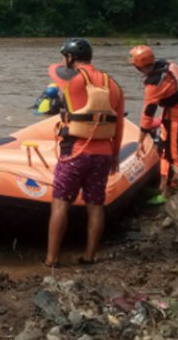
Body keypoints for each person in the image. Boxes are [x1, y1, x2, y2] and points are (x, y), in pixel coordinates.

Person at [45, 38, 125, 267]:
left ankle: (51, 258)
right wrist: (115, 156)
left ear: (70, 58)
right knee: (95, 204)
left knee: (60, 203)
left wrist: (65, 65)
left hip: (75, 151)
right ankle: (90, 255)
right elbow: (118, 126)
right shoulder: (115, 85)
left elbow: (53, 70)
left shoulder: (71, 80)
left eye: (65, 56)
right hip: (103, 153)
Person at [128, 45, 178, 194]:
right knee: (166, 150)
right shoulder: (167, 66)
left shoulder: (154, 84)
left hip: (176, 118)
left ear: (138, 66)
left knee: (172, 154)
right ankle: (164, 186)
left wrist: (140, 141)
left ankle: (171, 190)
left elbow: (148, 113)